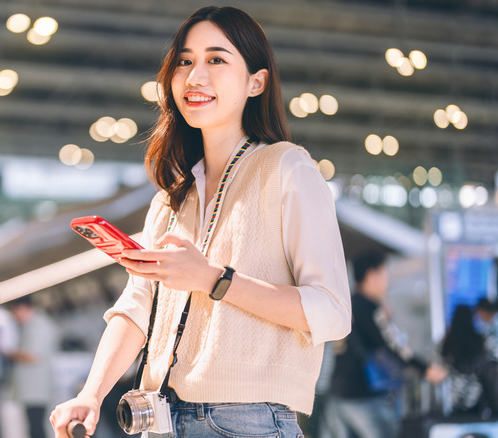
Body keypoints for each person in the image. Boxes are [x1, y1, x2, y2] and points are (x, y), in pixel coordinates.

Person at [49, 6, 352, 438]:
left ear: (256, 82)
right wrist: (91, 394)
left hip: (247, 423)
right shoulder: (172, 199)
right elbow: (137, 309)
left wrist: (213, 279)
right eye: (185, 61)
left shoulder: (287, 168)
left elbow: (333, 312)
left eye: (216, 59)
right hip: (160, 421)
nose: (194, 76)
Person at [328, 251, 448, 438]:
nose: (387, 281)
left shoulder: (346, 304)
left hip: (338, 392)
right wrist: (424, 368)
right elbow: (393, 345)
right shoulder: (370, 308)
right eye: (384, 274)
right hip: (363, 393)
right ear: (371, 276)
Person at [8, 295, 60, 438]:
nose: (15, 316)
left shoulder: (40, 325)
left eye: (16, 311)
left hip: (36, 387)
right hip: (30, 388)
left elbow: (33, 355)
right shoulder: (28, 325)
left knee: (37, 426)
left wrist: (9, 353)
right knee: (33, 426)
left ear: (25, 308)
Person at [440, 304, 498, 417]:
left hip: (453, 400)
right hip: (479, 398)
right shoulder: (481, 341)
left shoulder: (446, 344)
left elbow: (438, 368)